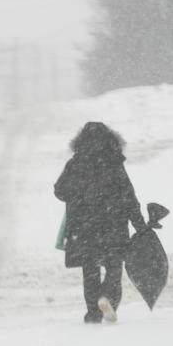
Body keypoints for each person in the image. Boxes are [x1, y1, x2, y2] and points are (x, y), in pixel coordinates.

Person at [54, 122, 146, 324]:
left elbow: (59, 190)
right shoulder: (114, 163)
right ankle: (108, 298)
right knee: (114, 268)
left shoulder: (75, 164)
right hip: (114, 225)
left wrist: (78, 195)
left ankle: (93, 312)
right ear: (109, 139)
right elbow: (128, 196)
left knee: (90, 271)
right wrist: (139, 224)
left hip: (84, 226)